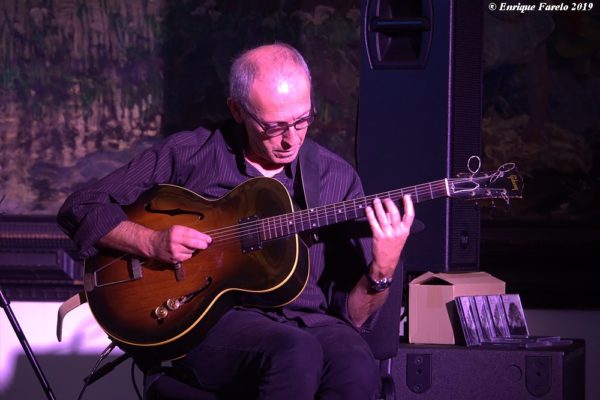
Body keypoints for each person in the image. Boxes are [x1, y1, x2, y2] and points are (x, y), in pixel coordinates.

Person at [58, 43, 415, 400]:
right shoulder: (191, 155)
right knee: (294, 353)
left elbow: (352, 318)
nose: (291, 139)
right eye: (274, 126)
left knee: (356, 365)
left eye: (302, 120)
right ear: (237, 110)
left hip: (308, 319)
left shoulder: (336, 177)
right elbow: (81, 206)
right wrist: (151, 242)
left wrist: (381, 270)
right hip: (211, 321)